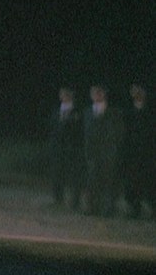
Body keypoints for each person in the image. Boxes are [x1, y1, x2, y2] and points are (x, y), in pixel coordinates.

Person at [82, 84, 126, 217]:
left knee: (108, 181)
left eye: (99, 92)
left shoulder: (114, 112)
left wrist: (113, 147)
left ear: (104, 94)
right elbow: (85, 132)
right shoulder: (87, 112)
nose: (97, 95)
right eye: (94, 93)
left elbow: (119, 132)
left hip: (108, 152)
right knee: (92, 180)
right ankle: (92, 207)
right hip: (92, 153)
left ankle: (108, 208)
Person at [119, 84, 155, 219]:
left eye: (139, 91)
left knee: (149, 181)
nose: (137, 94)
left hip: (148, 152)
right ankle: (134, 209)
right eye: (134, 91)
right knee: (132, 182)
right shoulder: (127, 111)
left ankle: (151, 209)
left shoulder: (151, 110)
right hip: (131, 153)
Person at [47, 86, 84, 209]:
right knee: (57, 174)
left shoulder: (77, 111)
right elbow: (52, 129)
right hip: (58, 149)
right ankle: (58, 199)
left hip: (72, 148)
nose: (63, 96)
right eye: (62, 94)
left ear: (71, 95)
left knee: (74, 176)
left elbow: (79, 131)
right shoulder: (56, 111)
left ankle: (75, 201)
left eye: (66, 94)